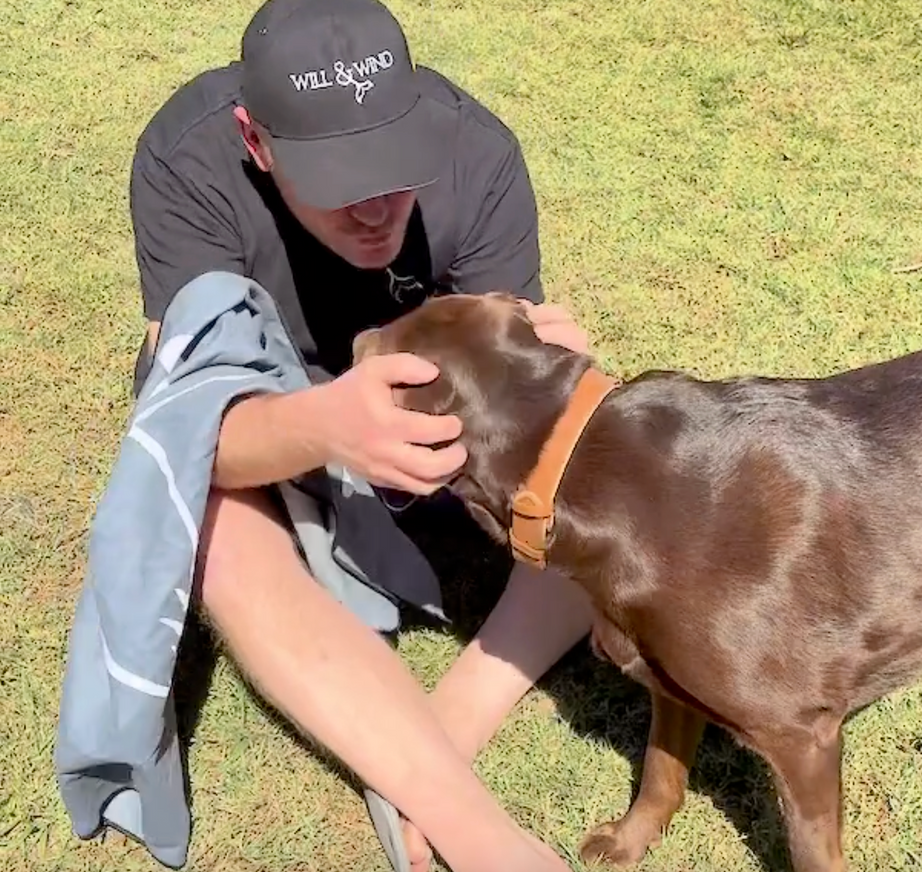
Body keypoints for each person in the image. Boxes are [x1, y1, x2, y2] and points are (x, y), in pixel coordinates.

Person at [126, 0, 595, 870]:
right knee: (214, 527)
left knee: (592, 466)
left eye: (395, 167)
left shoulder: (475, 151)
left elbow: (514, 395)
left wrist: (540, 375)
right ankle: (478, 833)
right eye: (340, 182)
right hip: (259, 405)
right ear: (256, 143)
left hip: (424, 407)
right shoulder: (187, 160)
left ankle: (437, 734)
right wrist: (330, 427)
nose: (377, 209)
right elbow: (197, 433)